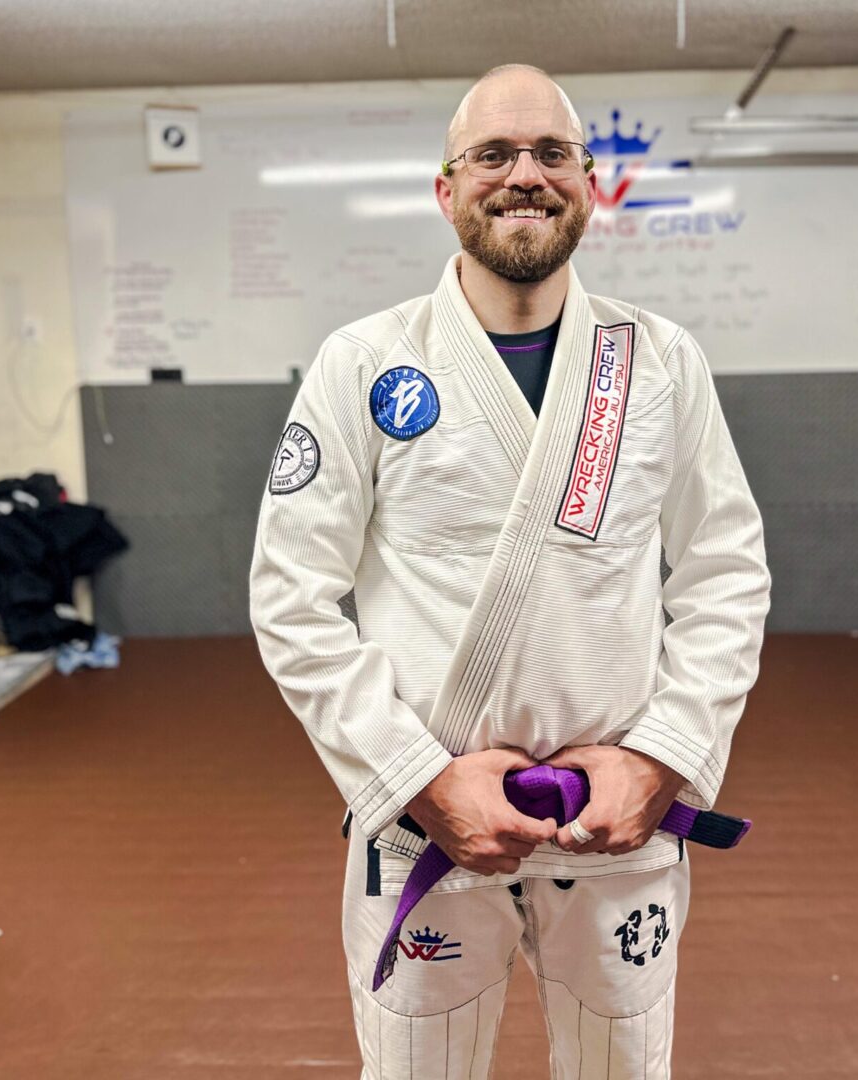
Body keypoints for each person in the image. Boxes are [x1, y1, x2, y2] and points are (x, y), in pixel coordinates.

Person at [250, 63, 771, 1079]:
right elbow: (292, 596)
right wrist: (416, 778)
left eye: (551, 154)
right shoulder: (363, 362)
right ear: (447, 189)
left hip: (616, 821)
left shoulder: (660, 361)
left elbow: (725, 572)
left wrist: (662, 757)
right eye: (493, 153)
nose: (523, 174)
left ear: (589, 183)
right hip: (430, 823)